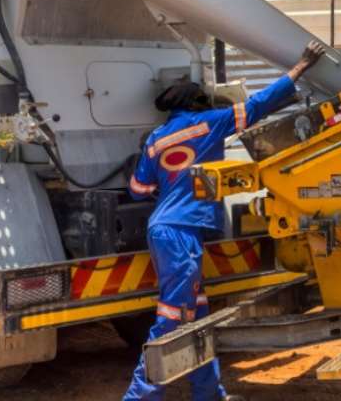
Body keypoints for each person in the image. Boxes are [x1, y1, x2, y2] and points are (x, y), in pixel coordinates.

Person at [122, 40, 328, 401]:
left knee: (197, 317)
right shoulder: (209, 124)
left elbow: (138, 189)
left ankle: (209, 394)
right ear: (196, 104)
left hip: (166, 230)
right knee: (172, 317)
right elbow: (257, 106)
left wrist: (169, 181)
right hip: (181, 233)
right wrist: (300, 67)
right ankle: (139, 398)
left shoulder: (155, 139)